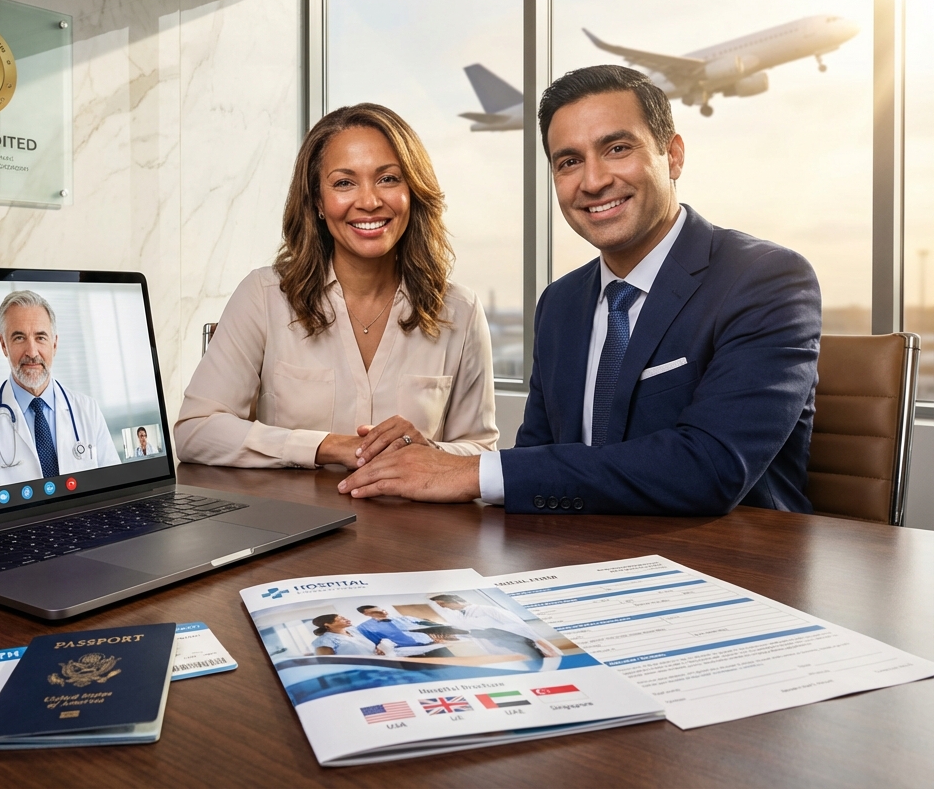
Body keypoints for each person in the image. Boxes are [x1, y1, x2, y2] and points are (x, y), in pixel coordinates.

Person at [338, 65, 821, 515]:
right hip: (575, 555)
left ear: (673, 155)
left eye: (617, 149)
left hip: (727, 563)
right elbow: (537, 459)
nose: (593, 181)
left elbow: (710, 468)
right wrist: (433, 464)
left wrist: (470, 472)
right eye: (569, 162)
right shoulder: (561, 303)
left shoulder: (764, 279)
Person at [174, 103, 499, 470]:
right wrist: (326, 446)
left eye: (388, 179)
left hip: (409, 510)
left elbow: (481, 451)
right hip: (290, 509)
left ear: (413, 191)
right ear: (318, 201)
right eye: (344, 183)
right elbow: (195, 431)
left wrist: (427, 452)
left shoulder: (460, 311)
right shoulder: (263, 296)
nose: (369, 201)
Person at [0, 290, 121, 497]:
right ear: (3, 344)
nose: (32, 352)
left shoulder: (87, 409)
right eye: (19, 338)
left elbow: (116, 491)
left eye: (41, 337)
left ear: (54, 344)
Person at [428, 595, 561, 659]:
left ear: (455, 601)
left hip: (527, 650)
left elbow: (523, 629)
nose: (443, 607)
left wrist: (548, 650)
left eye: (443, 604)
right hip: (500, 653)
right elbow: (472, 633)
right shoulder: (461, 616)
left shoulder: (489, 610)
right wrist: (448, 640)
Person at [354, 605, 453, 657]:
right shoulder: (364, 628)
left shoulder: (404, 619)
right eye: (376, 612)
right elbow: (373, 645)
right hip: (407, 652)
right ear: (366, 614)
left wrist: (438, 638)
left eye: (382, 610)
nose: (382, 612)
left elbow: (434, 626)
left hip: (433, 643)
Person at [310, 614, 383, 656]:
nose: (348, 620)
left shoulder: (353, 630)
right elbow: (326, 663)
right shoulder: (324, 641)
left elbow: (362, 646)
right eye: (342, 619)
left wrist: (376, 648)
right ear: (327, 624)